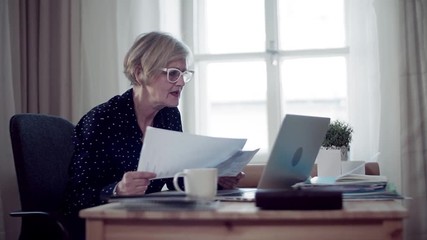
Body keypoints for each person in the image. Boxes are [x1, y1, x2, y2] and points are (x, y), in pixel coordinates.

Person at [61, 31, 245, 240]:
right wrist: (118, 189)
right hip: (104, 226)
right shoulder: (102, 120)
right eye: (173, 73)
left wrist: (217, 179)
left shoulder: (169, 116)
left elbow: (177, 176)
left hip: (145, 222)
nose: (182, 82)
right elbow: (75, 198)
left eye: (184, 74)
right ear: (140, 74)